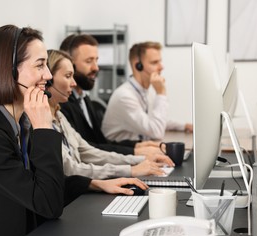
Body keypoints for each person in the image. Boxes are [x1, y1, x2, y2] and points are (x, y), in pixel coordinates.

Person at [0, 25, 150, 236]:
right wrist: (44, 128)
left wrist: (95, 184)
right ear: (10, 72)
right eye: (39, 65)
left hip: (12, 231)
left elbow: (39, 182)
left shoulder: (20, 122)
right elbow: (47, 203)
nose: (48, 75)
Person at [46, 49, 174, 180]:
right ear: (48, 79)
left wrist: (138, 161)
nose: (73, 83)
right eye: (68, 76)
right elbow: (70, 169)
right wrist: (130, 169)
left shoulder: (59, 115)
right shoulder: (43, 121)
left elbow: (89, 152)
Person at [59, 34, 164, 160]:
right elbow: (85, 150)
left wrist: (137, 146)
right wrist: (134, 152)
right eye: (88, 61)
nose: (96, 68)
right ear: (70, 65)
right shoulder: (62, 104)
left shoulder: (84, 99)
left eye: (96, 60)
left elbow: (100, 143)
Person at [101, 41, 193, 142]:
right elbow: (157, 131)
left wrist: (184, 126)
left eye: (160, 61)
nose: (161, 67)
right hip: (121, 153)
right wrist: (161, 92)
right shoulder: (125, 96)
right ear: (138, 66)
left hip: (138, 148)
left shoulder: (145, 92)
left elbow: (154, 121)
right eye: (154, 62)